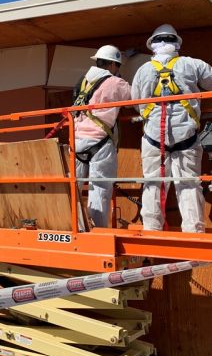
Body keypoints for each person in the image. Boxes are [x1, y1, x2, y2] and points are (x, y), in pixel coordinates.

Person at [131, 24, 212, 232]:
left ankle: (151, 228)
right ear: (176, 44)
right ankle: (193, 231)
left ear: (153, 46)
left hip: (153, 138)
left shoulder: (143, 70)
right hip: (187, 137)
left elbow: (135, 102)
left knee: (153, 183)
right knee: (188, 184)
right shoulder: (192, 64)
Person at [74, 45, 131, 228]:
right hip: (100, 143)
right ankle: (98, 231)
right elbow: (135, 100)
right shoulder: (116, 83)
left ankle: (77, 227)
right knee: (99, 190)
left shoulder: (82, 81)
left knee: (73, 188)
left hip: (76, 141)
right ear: (114, 65)